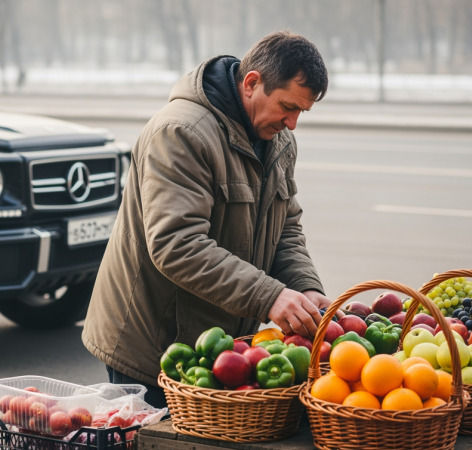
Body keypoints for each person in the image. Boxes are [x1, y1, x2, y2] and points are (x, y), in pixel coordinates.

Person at [82, 31, 331, 408]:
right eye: (287, 106)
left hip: (216, 343)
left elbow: (286, 230)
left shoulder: (277, 140)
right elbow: (176, 245)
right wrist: (271, 296)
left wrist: (304, 286)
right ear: (251, 83)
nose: (293, 123)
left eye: (301, 112)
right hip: (154, 345)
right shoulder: (181, 133)